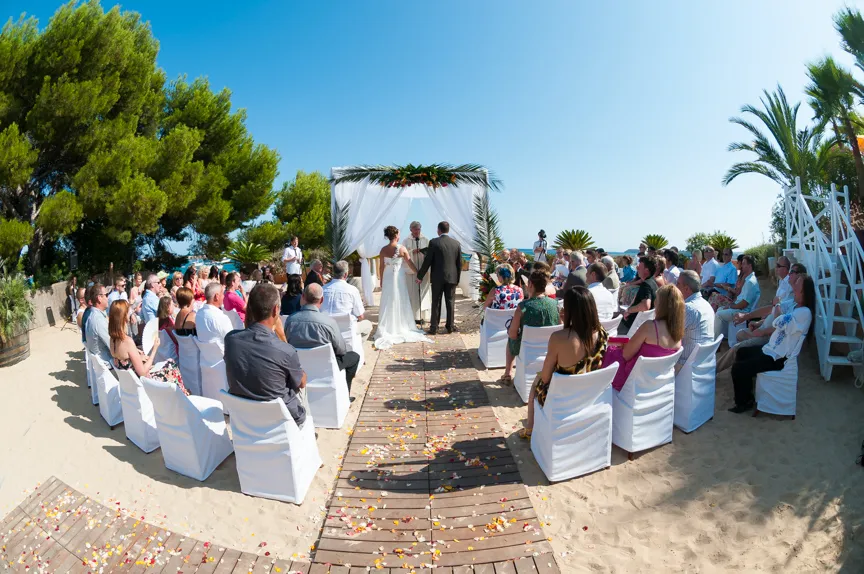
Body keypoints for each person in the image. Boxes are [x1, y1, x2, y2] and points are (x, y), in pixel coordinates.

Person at [520, 286, 609, 438]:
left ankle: (530, 429)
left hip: (562, 398)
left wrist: (565, 324)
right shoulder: (602, 332)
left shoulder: (559, 338)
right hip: (589, 394)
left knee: (536, 382)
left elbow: (546, 377)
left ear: (569, 310)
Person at [728, 276, 815, 414]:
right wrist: (777, 308)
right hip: (771, 350)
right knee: (742, 352)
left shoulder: (805, 312)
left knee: (739, 368)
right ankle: (747, 396)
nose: (793, 288)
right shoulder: (794, 305)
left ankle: (743, 403)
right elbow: (775, 309)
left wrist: (778, 307)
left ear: (804, 291)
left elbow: (779, 322)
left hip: (779, 357)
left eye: (797, 286)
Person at [225, 283, 308, 426]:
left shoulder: (230, 340)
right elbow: (301, 382)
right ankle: (307, 434)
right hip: (282, 421)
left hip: (246, 419)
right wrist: (282, 336)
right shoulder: (285, 350)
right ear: (276, 310)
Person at [716, 262, 806, 372]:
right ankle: (747, 362)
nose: (789, 274)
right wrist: (759, 323)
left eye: (792, 272)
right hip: (765, 328)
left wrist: (761, 330)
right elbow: (772, 309)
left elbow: (780, 324)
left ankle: (714, 369)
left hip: (770, 338)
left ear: (800, 277)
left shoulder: (796, 303)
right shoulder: (789, 294)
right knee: (740, 335)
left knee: (737, 349)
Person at [602, 284, 684, 391]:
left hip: (633, 382)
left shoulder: (650, 327)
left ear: (662, 305)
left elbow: (625, 355)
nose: (654, 303)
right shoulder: (678, 334)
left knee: (607, 353)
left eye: (657, 300)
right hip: (655, 384)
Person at [285, 284, 362, 391]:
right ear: (321, 300)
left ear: (302, 297)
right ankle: (345, 393)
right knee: (354, 357)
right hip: (325, 368)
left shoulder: (290, 320)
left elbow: (287, 344)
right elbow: (341, 350)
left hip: (299, 367)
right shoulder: (329, 322)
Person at [500, 269, 560, 385]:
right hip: (550, 347)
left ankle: (508, 373)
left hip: (527, 348)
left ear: (531, 285)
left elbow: (512, 334)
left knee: (511, 339)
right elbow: (559, 327)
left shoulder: (523, 307)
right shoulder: (555, 304)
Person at [375, 225, 432, 349]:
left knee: (388, 300)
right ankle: (401, 325)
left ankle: (389, 326)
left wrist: (381, 280)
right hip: (399, 277)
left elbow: (381, 267)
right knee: (401, 298)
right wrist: (418, 273)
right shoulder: (402, 248)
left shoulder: (383, 250)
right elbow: (410, 262)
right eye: (399, 233)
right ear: (396, 235)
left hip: (388, 277)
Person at [417, 221, 462, 335]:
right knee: (450, 302)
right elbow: (459, 264)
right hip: (452, 278)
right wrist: (457, 279)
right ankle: (450, 326)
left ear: (438, 230)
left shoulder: (434, 242)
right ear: (448, 230)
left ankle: (434, 327)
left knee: (436, 301)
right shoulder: (456, 243)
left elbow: (428, 261)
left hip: (437, 277)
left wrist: (420, 275)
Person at [675, 270, 715, 369]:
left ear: (687, 289)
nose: (675, 286)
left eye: (678, 284)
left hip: (686, 364)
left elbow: (670, 337)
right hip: (704, 361)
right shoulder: (706, 304)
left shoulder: (688, 308)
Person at [714, 254, 760, 339]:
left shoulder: (750, 282)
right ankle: (724, 337)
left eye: (743, 263)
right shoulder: (748, 279)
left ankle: (716, 340)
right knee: (720, 309)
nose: (741, 266)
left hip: (742, 311)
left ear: (749, 266)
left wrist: (731, 306)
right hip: (739, 307)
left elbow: (743, 304)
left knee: (719, 314)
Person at [322, 261, 372, 336]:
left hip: (326, 331)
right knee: (368, 325)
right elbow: (360, 316)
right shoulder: (352, 290)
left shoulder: (322, 289)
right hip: (347, 332)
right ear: (345, 274)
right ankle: (356, 345)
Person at [403, 221, 431, 324]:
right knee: (413, 294)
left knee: (423, 293)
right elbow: (402, 255)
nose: (417, 231)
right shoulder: (406, 241)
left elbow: (430, 254)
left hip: (423, 270)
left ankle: (423, 316)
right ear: (411, 230)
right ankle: (414, 316)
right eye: (415, 229)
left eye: (419, 229)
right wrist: (412, 252)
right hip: (412, 271)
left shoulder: (426, 240)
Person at [621, 257, 659, 332]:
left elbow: (645, 305)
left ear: (646, 270)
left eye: (639, 267)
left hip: (632, 326)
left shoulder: (646, 284)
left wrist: (629, 310)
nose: (637, 268)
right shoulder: (653, 282)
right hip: (642, 324)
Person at [195, 282, 234, 349]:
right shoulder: (221, 318)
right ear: (217, 296)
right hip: (223, 358)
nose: (224, 296)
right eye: (222, 293)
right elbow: (231, 341)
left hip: (204, 358)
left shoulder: (198, 314)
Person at [84, 283, 113, 364]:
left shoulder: (91, 315)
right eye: (106, 295)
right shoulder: (98, 320)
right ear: (99, 298)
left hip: (101, 363)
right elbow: (113, 347)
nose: (108, 298)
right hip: (109, 364)